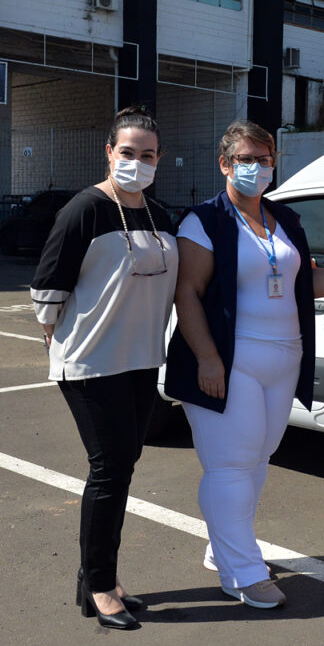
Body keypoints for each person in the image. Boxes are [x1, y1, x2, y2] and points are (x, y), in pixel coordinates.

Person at [165, 121, 324, 609]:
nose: (256, 167)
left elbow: (303, 285)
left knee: (256, 461)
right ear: (224, 164)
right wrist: (208, 359)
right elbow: (188, 294)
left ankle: (224, 548)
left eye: (264, 158)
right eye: (245, 159)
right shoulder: (205, 221)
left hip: (285, 358)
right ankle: (242, 572)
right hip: (230, 360)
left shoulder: (287, 220)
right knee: (231, 465)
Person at [30, 106, 178, 630]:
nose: (137, 162)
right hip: (93, 365)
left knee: (123, 466)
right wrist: (66, 346)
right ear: (109, 153)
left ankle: (99, 577)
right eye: (128, 153)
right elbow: (48, 291)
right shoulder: (84, 210)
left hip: (141, 363)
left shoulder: (161, 217)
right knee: (110, 470)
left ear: (159, 160)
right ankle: (99, 586)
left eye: (148, 155)